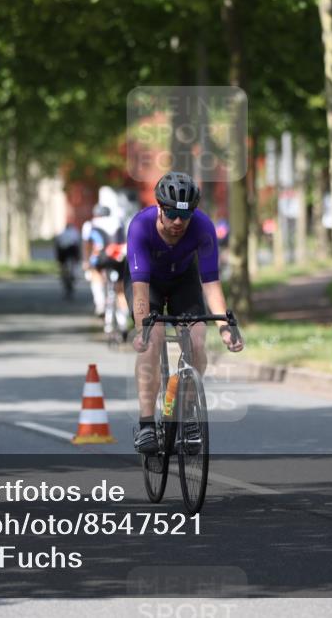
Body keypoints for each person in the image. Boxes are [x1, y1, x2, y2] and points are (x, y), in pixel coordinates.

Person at [126, 172, 244, 453]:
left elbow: (211, 283)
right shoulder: (140, 227)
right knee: (152, 342)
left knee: (197, 341)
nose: (178, 222)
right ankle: (145, 425)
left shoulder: (203, 227)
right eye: (171, 214)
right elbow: (140, 292)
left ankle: (187, 413)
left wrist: (224, 327)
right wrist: (141, 328)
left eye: (185, 215)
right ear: (159, 208)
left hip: (183, 280)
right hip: (148, 283)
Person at [88, 205, 128, 340]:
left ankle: (100, 303)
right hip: (119, 256)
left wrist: (87, 261)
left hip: (103, 257)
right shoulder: (118, 221)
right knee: (120, 291)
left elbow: (92, 244)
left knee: (95, 273)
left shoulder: (93, 223)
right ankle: (124, 322)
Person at [53, 223, 81, 299]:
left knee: (64, 268)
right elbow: (78, 245)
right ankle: (71, 276)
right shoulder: (75, 232)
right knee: (72, 267)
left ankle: (65, 275)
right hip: (71, 252)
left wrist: (58, 258)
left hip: (64, 253)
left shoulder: (61, 233)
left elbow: (57, 244)